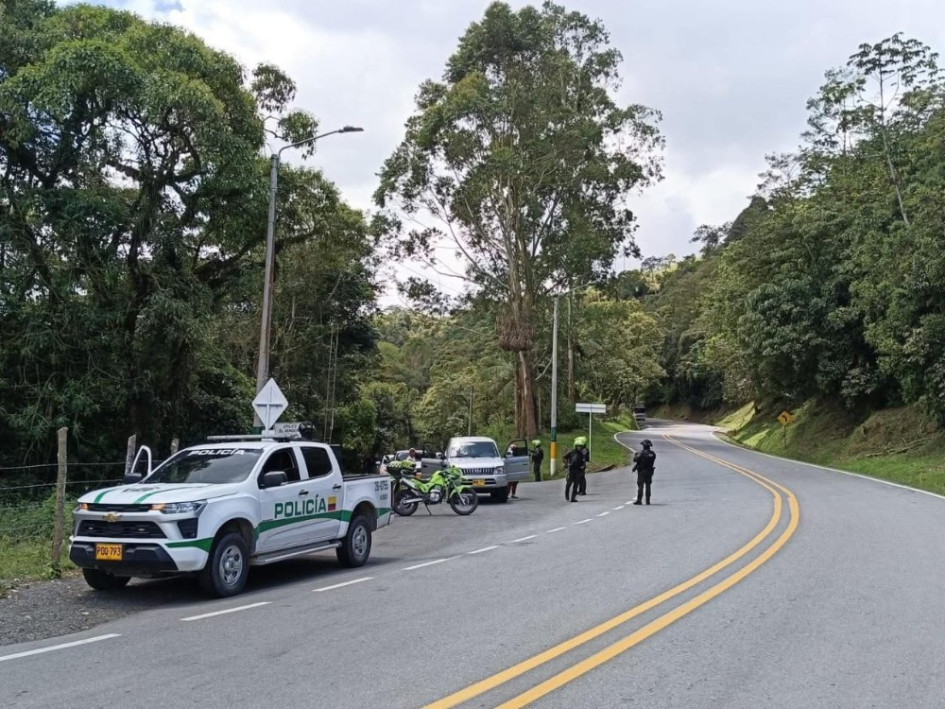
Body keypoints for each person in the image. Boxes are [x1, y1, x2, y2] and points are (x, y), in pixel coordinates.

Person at [563, 436, 589, 502]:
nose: (579, 447)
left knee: (576, 484)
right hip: (571, 469)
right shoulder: (571, 452)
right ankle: (567, 495)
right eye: (577, 446)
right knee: (568, 483)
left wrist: (582, 467)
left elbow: (584, 462)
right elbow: (564, 457)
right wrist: (566, 464)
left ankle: (573, 498)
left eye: (580, 446)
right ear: (575, 446)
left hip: (578, 470)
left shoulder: (582, 454)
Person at [632, 439, 657, 505]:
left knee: (640, 485)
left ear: (643, 446)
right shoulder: (653, 453)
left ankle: (639, 500)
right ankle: (648, 500)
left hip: (642, 471)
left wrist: (636, 455)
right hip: (650, 471)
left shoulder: (641, 453)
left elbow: (635, 460)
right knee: (648, 485)